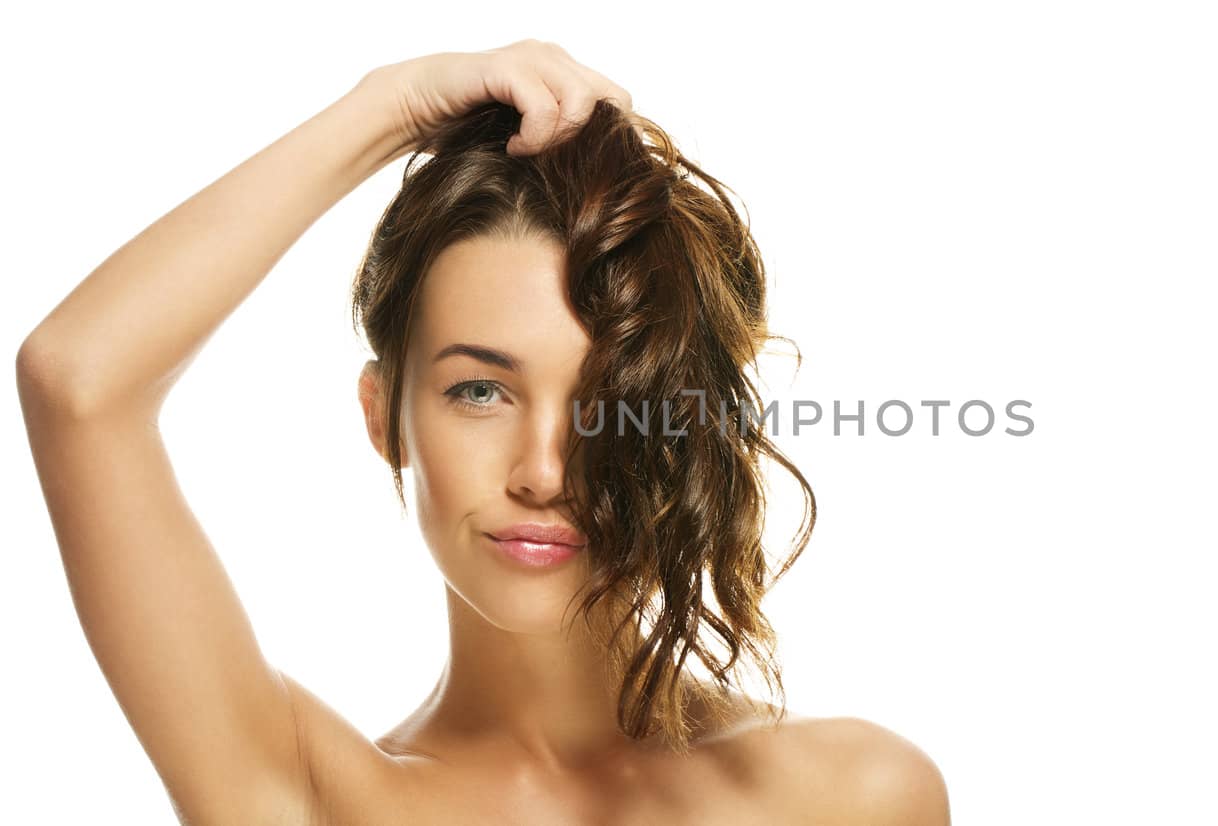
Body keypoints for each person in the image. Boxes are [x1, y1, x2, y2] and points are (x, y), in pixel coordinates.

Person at [16, 38, 950, 824]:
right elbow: (78, 381)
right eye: (478, 392)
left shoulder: (858, 795)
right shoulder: (317, 799)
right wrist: (393, 106)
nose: (546, 472)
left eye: (609, 401)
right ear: (385, 417)